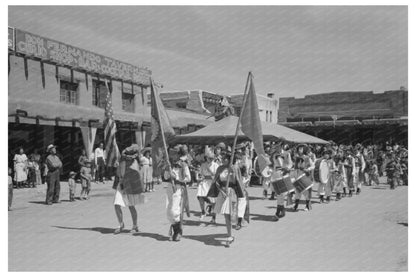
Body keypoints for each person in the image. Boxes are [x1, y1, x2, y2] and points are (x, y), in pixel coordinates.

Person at [207, 151, 247, 245]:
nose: (223, 159)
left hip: (231, 192)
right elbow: (216, 182)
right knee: (226, 215)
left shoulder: (234, 168)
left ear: (230, 159)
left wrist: (232, 173)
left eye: (225, 158)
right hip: (222, 192)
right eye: (223, 158)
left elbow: (237, 181)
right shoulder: (220, 168)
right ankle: (230, 235)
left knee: (230, 214)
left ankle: (238, 223)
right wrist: (221, 190)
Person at [113, 144, 145, 234]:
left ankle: (135, 225)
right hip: (121, 184)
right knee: (116, 204)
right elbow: (119, 172)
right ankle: (120, 224)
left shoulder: (135, 162)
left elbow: (137, 175)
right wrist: (117, 168)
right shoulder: (122, 160)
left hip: (130, 185)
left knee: (131, 206)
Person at [166, 148, 192, 242]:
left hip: (179, 188)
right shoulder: (169, 165)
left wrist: (177, 178)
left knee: (174, 211)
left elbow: (188, 178)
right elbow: (165, 177)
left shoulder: (183, 164)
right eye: (171, 154)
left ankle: (178, 231)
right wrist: (168, 173)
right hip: (170, 187)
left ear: (178, 154)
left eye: (174, 154)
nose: (172, 155)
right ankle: (175, 230)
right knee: (168, 211)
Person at [196, 152, 219, 223]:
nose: (211, 160)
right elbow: (200, 173)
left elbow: (217, 175)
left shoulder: (216, 165)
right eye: (209, 158)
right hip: (204, 182)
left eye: (212, 158)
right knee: (200, 196)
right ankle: (203, 211)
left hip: (212, 183)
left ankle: (213, 217)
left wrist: (211, 174)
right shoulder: (203, 165)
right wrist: (199, 178)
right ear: (206, 158)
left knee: (213, 201)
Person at [293, 145, 314, 211]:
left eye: (301, 149)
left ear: (304, 150)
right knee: (297, 191)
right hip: (298, 176)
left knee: (306, 192)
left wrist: (308, 169)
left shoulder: (307, 158)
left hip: (305, 176)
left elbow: (313, 166)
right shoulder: (297, 158)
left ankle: (307, 206)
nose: (300, 150)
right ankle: (296, 205)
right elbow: (295, 167)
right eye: (299, 148)